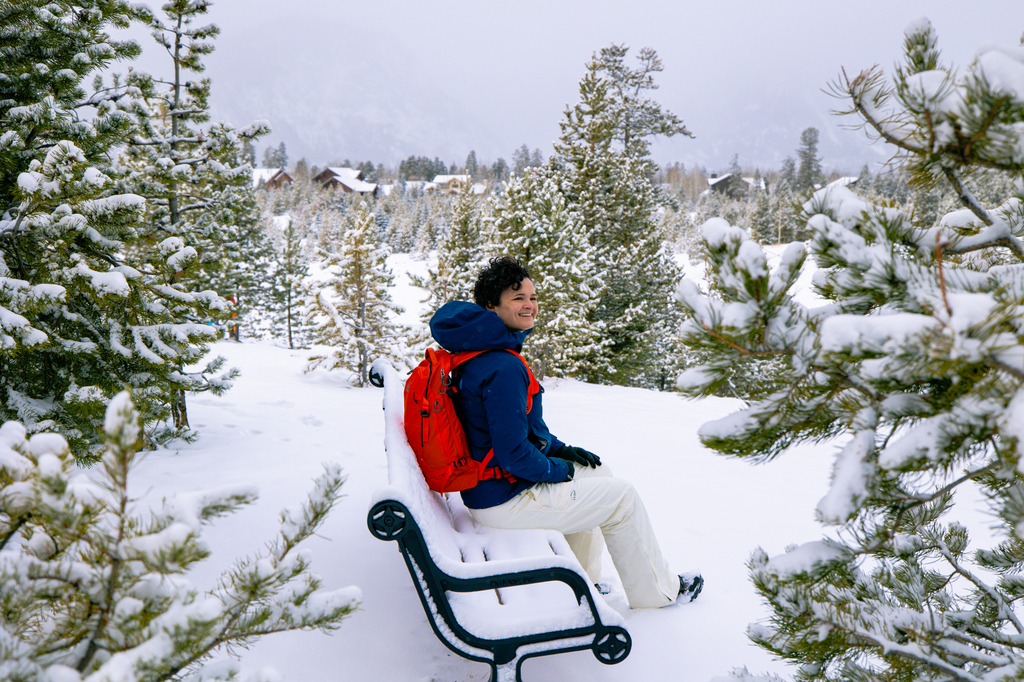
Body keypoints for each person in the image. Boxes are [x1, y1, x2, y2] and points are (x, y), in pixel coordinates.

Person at [429, 255, 702, 609]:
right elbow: (512, 453)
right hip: (503, 499)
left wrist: (561, 450)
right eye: (517, 298)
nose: (529, 305)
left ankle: (583, 583)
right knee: (622, 498)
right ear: (491, 307)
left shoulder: (483, 353)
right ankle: (658, 594)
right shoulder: (501, 365)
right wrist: (557, 469)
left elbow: (522, 430)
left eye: (532, 297)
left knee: (599, 474)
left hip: (492, 488)